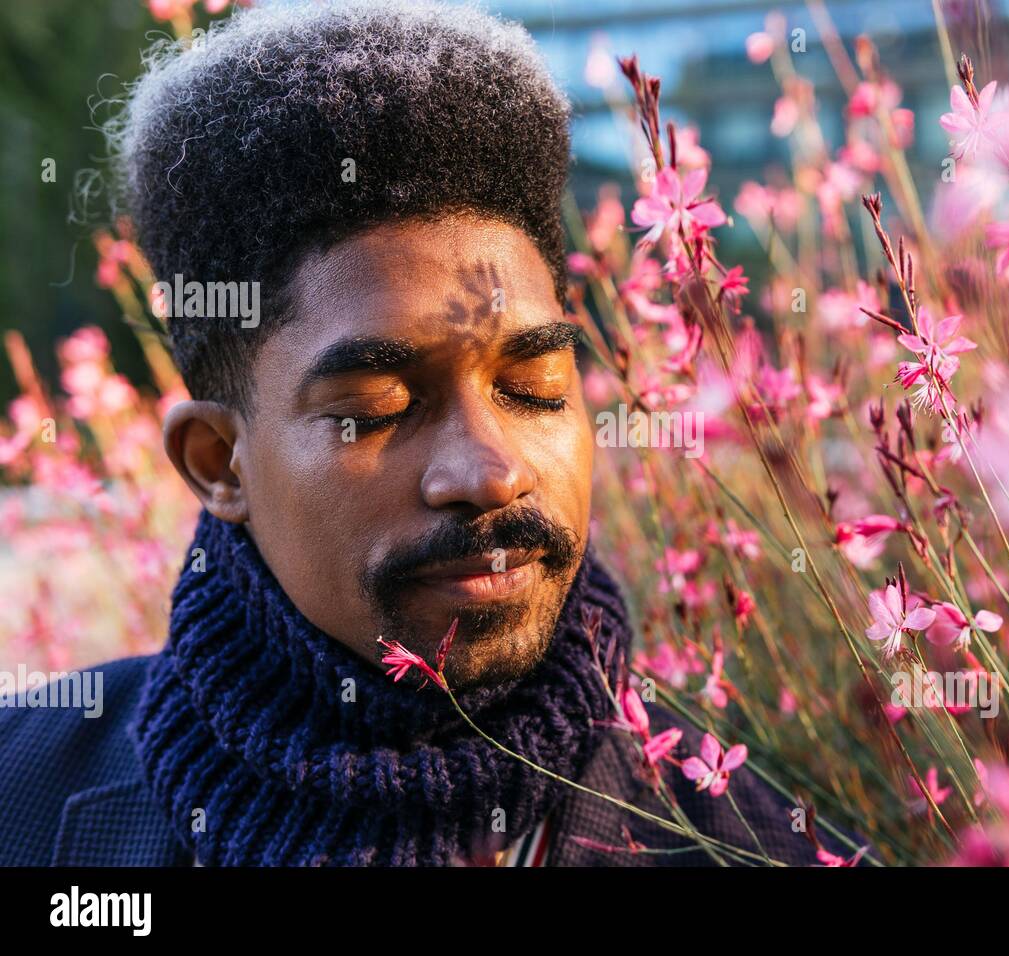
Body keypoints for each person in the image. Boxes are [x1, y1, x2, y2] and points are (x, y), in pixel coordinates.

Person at [0, 0, 859, 867]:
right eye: (375, 410)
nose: (490, 472)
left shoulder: (748, 836)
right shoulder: (22, 802)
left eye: (534, 389)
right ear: (219, 463)